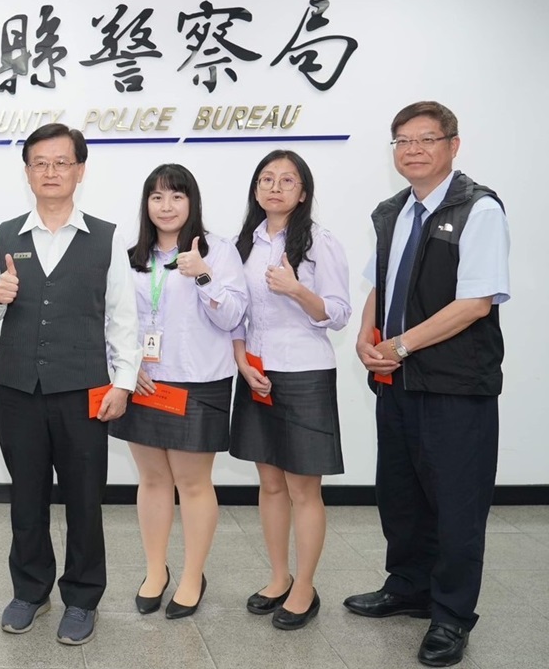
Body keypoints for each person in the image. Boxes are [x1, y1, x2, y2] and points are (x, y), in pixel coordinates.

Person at [347, 101, 509, 668]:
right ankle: (409, 587)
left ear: (452, 146)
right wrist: (365, 338)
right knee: (401, 494)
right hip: (397, 382)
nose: (413, 149)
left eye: (426, 139)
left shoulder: (478, 209)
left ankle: (451, 615)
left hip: (455, 385)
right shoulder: (394, 211)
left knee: (457, 503)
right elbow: (379, 283)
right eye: (403, 141)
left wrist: (400, 346)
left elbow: (475, 303)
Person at [0, 123, 138, 647]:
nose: (50, 171)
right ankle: (30, 590)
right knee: (26, 497)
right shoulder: (4, 234)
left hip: (84, 389)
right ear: (27, 172)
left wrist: (123, 383)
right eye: (39, 163)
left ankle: (83, 598)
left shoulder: (107, 237)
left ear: (79, 171)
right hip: (17, 389)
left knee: (85, 500)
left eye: (61, 162)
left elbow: (123, 317)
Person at [107, 163, 248, 622]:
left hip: (198, 379)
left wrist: (203, 275)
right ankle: (155, 571)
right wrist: (126, 367)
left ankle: (192, 576)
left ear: (192, 202)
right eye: (157, 197)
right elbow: (112, 318)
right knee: (151, 480)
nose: (166, 206)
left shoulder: (218, 251)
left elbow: (233, 317)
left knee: (192, 483)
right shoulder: (131, 255)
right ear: (146, 204)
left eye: (176, 196)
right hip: (144, 380)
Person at [228, 150, 351, 630]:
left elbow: (337, 313)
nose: (275, 187)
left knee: (303, 489)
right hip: (257, 372)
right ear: (256, 190)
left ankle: (305, 587)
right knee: (271, 483)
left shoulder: (320, 242)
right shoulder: (242, 244)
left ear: (303, 192)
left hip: (304, 372)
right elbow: (236, 314)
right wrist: (241, 361)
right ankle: (279, 577)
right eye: (266, 179)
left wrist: (296, 288)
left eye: (287, 180)